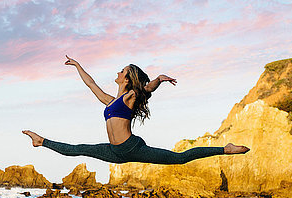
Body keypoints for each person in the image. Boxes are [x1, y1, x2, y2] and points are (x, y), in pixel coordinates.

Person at [22, 56, 249, 164]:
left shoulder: (131, 96)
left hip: (131, 148)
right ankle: (41, 141)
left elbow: (146, 88)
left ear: (128, 78)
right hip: (114, 151)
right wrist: (78, 65)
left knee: (178, 159)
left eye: (122, 71)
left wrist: (158, 79)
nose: (118, 72)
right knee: (78, 149)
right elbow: (91, 84)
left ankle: (225, 149)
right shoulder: (110, 101)